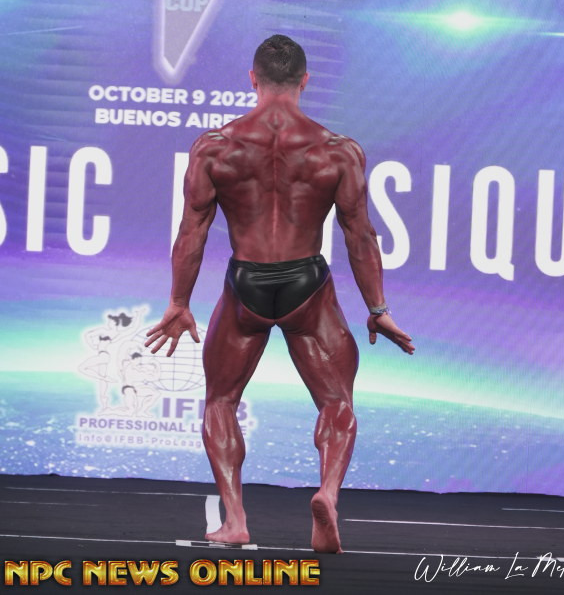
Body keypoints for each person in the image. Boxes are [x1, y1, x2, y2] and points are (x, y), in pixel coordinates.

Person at [145, 34, 415, 553]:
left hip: (246, 283)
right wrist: (377, 308)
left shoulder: (215, 146)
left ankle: (236, 520)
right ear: (305, 81)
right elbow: (360, 236)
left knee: (221, 401)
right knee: (336, 401)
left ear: (253, 79)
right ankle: (328, 494)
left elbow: (192, 231)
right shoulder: (337, 150)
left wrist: (179, 302)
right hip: (306, 285)